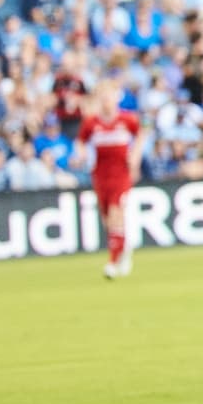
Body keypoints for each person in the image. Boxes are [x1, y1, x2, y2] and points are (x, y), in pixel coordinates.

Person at [77, 80, 143, 279]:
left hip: (121, 174)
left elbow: (140, 135)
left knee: (116, 213)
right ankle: (123, 249)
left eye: (109, 97)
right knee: (108, 220)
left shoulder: (127, 120)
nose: (106, 101)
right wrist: (81, 156)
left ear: (115, 98)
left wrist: (135, 158)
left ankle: (112, 263)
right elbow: (81, 142)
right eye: (102, 97)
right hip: (101, 175)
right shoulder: (92, 123)